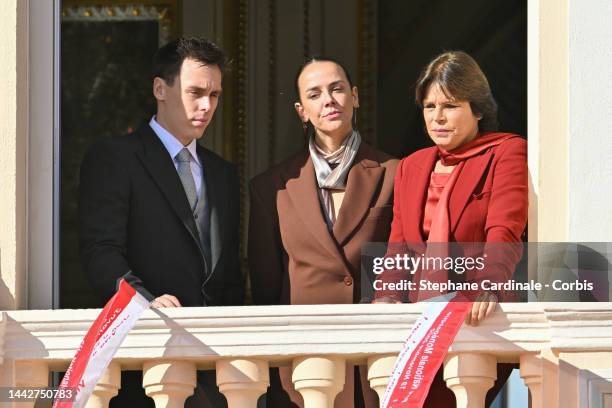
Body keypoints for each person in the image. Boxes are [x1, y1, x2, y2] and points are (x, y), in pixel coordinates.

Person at [79, 36, 243, 407]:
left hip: (216, 379)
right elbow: (100, 252)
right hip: (141, 369)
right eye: (195, 92)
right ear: (160, 88)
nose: (206, 106)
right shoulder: (115, 158)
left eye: (215, 95)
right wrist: (145, 301)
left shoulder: (222, 174)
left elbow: (229, 275)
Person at [376, 51, 527, 406]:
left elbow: (504, 229)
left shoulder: (506, 152)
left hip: (475, 314)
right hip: (418, 322)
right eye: (429, 107)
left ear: (477, 109)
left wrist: (486, 285)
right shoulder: (412, 166)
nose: (438, 118)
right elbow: (399, 246)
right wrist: (385, 297)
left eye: (450, 105)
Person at [248, 57, 398, 407]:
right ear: (302, 111)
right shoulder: (271, 187)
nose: (328, 100)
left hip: (374, 364)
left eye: (337, 89)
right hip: (301, 366)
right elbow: (267, 288)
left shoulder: (395, 172)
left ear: (355, 97)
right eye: (314, 94)